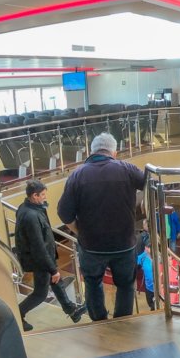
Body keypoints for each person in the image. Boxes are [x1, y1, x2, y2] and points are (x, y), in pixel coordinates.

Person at [58, 132, 146, 321]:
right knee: (125, 285)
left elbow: (64, 213)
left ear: (92, 151)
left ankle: (99, 322)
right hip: (124, 244)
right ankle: (122, 322)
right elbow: (148, 182)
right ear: (114, 153)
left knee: (92, 284)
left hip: (91, 246)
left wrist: (80, 231)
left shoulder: (77, 175)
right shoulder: (127, 169)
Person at [14, 180, 86, 331]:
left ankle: (71, 311)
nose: (45, 197)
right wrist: (52, 269)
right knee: (40, 293)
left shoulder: (28, 208)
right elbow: (38, 247)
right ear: (34, 196)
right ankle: (17, 314)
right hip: (39, 259)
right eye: (43, 195)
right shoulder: (31, 216)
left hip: (43, 256)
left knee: (56, 282)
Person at [136, 242, 155, 310]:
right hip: (149, 288)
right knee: (150, 303)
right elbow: (135, 261)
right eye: (147, 247)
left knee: (155, 306)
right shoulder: (143, 256)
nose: (147, 249)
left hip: (159, 288)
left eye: (149, 247)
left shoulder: (159, 257)